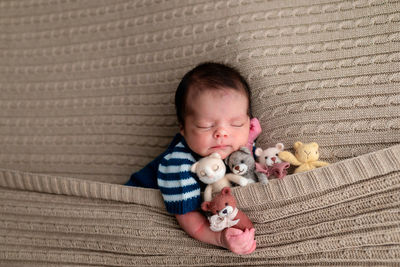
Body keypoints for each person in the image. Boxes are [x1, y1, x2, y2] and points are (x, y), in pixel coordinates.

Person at [126, 62, 261, 254]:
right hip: (133, 199)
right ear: (183, 128)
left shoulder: (239, 147)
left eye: (237, 123)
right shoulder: (178, 164)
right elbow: (190, 219)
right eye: (206, 126)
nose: (222, 133)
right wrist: (221, 238)